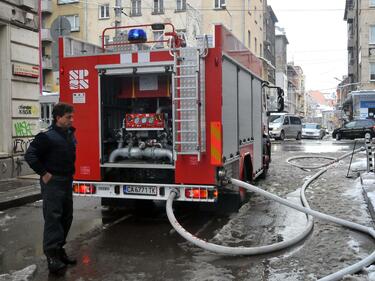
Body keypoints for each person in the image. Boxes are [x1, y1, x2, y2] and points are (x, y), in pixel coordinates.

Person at [25, 102, 77, 273]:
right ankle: (52, 256)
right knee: (53, 218)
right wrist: (44, 173)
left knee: (66, 217)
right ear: (58, 118)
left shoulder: (69, 134)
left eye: (72, 116)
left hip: (66, 180)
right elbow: (30, 155)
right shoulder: (46, 136)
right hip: (53, 182)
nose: (72, 119)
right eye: (68, 117)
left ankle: (59, 249)